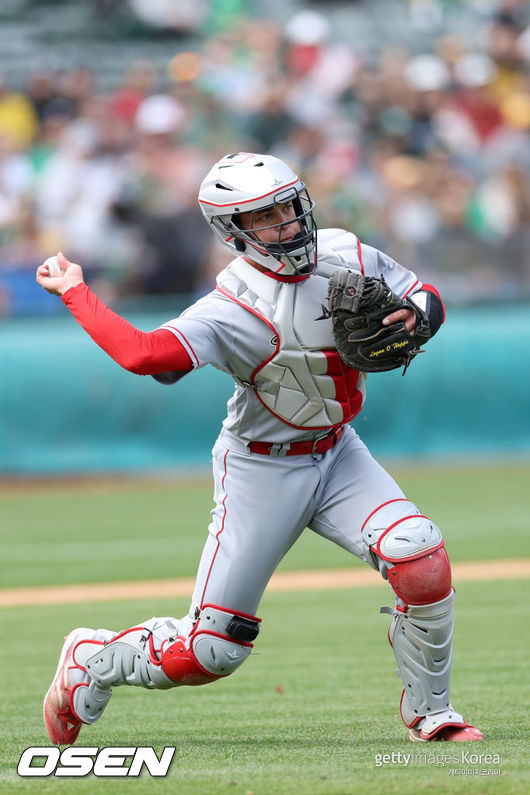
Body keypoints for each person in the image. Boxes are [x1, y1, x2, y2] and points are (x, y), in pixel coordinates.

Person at [36, 152, 483, 745]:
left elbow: (423, 294)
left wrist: (415, 315)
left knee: (419, 554)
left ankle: (432, 713)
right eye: (266, 217)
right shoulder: (231, 306)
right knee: (211, 652)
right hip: (260, 468)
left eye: (289, 207)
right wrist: (75, 290)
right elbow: (145, 357)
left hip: (338, 450)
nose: (287, 224)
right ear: (232, 233)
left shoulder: (345, 249)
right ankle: (93, 657)